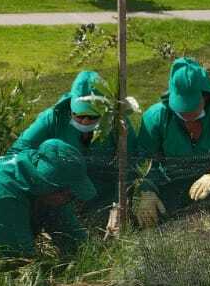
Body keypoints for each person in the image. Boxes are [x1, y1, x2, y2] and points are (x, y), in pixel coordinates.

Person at [133, 57, 210, 227]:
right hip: (170, 188)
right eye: (181, 107)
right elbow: (142, 164)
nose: (187, 114)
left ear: (205, 95)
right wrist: (147, 191)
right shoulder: (155, 118)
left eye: (192, 106)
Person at [10, 70, 135, 215]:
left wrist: (120, 203)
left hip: (104, 194)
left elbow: (132, 162)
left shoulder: (118, 123)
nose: (85, 122)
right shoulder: (53, 118)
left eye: (92, 117)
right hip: (60, 194)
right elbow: (17, 152)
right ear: (70, 108)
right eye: (79, 116)